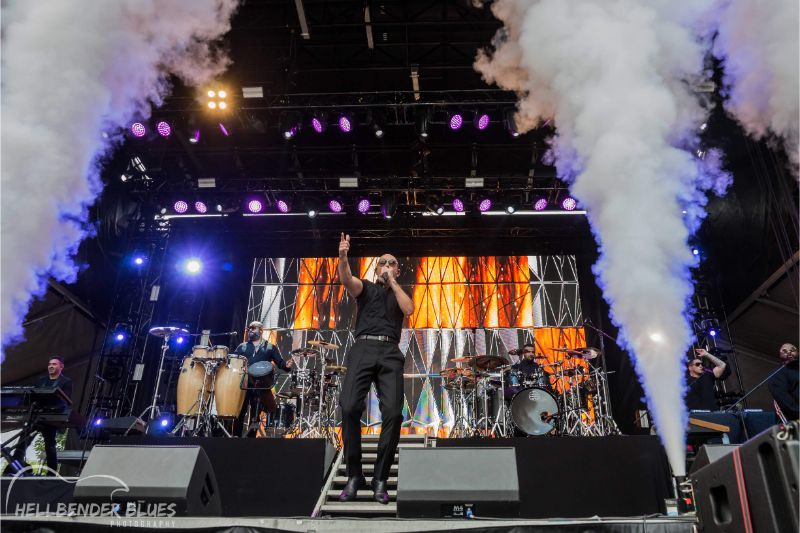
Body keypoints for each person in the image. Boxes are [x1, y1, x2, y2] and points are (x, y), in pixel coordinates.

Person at [337, 233, 414, 504]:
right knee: (349, 407)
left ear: (397, 270)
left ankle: (380, 478)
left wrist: (393, 283)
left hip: (390, 352)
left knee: (393, 413)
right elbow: (347, 279)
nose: (387, 266)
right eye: (383, 263)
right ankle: (354, 475)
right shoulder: (366, 288)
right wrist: (343, 257)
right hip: (363, 348)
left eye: (392, 264)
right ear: (376, 268)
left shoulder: (399, 292)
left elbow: (409, 309)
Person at [10, 357, 73, 475]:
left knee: (50, 445)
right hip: (36, 416)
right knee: (22, 441)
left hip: (50, 418)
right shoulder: (41, 380)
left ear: (61, 366)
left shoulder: (66, 382)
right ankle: (12, 469)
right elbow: (33, 395)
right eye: (49, 364)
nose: (51, 366)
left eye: (54, 364)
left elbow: (65, 400)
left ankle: (51, 474)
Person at [233, 321, 292, 437]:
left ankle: (251, 439)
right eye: (249, 328)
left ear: (261, 330)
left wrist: (287, 366)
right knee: (240, 412)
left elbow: (280, 363)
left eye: (253, 328)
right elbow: (233, 362)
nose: (250, 330)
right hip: (244, 384)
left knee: (255, 414)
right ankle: (236, 437)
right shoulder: (242, 347)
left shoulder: (270, 347)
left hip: (260, 385)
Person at [768, 343, 798, 420]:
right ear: (780, 354)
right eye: (785, 351)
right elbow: (783, 398)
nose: (789, 352)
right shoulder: (777, 373)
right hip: (793, 418)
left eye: (792, 350)